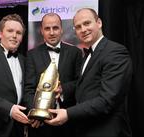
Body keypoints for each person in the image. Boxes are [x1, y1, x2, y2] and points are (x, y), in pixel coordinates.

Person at [45, 8, 133, 137]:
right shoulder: (88, 54)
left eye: (87, 23)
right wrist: (63, 89)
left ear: (99, 23)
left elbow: (107, 100)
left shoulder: (115, 52)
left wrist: (68, 113)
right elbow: (87, 83)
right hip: (87, 128)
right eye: (78, 27)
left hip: (107, 131)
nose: (83, 29)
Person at [24, 13, 82, 137]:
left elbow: (81, 82)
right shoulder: (31, 55)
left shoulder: (75, 53)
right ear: (41, 31)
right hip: (40, 123)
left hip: (68, 120)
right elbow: (28, 89)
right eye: (47, 28)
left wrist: (63, 90)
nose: (51, 32)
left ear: (61, 29)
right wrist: (34, 114)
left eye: (55, 28)